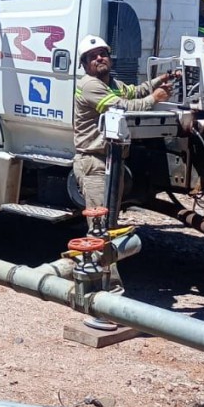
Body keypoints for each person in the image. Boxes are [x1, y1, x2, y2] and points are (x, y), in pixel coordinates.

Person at [72, 35, 175, 267]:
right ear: (84, 64)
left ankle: (106, 277)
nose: (99, 58)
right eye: (92, 56)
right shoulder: (89, 85)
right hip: (94, 162)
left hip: (109, 162)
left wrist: (160, 79)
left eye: (103, 54)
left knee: (109, 224)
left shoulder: (111, 84)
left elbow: (134, 92)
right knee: (99, 228)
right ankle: (96, 280)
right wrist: (154, 98)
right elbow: (123, 107)